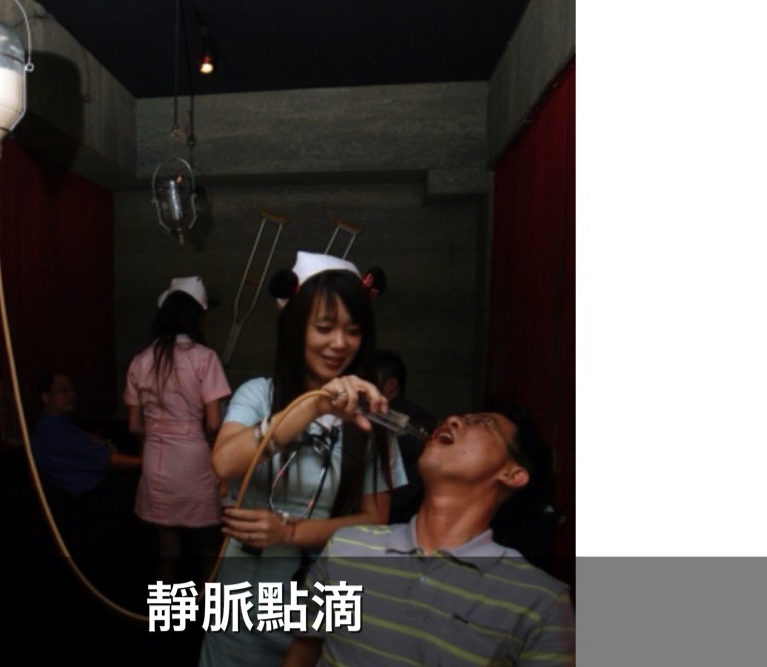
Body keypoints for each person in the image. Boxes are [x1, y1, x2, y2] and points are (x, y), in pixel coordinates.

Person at [198, 251, 408, 667]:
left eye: (353, 331)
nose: (340, 343)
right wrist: (314, 406)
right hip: (245, 596)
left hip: (324, 599)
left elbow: (374, 523)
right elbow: (225, 463)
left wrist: (289, 531)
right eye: (324, 328)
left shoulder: (370, 416)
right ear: (296, 328)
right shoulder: (258, 395)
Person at [283, 405, 576, 667]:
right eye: (459, 417)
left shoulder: (541, 602)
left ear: (512, 474)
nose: (453, 420)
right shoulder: (348, 546)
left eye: (482, 423)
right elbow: (301, 655)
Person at [124, 275, 231, 587]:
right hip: (194, 460)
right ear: (196, 317)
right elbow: (214, 423)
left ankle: (163, 616)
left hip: (155, 461)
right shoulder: (205, 358)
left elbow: (134, 425)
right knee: (207, 545)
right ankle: (207, 614)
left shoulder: (141, 360)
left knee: (167, 550)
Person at [30, 371, 143, 558]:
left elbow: (98, 446)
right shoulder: (52, 430)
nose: (71, 395)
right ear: (46, 397)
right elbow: (107, 459)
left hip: (94, 497)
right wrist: (145, 463)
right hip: (89, 504)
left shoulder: (61, 424)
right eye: (63, 390)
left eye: (72, 390)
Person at [375, 349, 439, 524]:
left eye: (369, 379)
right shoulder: (377, 415)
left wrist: (387, 503)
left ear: (390, 385)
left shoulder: (407, 420)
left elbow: (418, 473)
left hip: (399, 518)